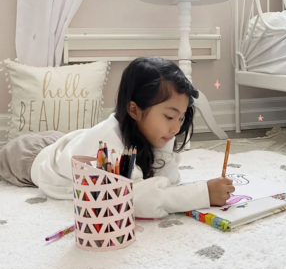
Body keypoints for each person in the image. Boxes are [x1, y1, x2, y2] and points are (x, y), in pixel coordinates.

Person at [0, 57, 235, 218]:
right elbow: (133, 199)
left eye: (181, 118)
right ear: (134, 110)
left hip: (71, 142)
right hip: (31, 157)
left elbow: (167, 179)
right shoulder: (110, 148)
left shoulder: (158, 131)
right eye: (169, 116)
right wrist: (203, 194)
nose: (175, 128)